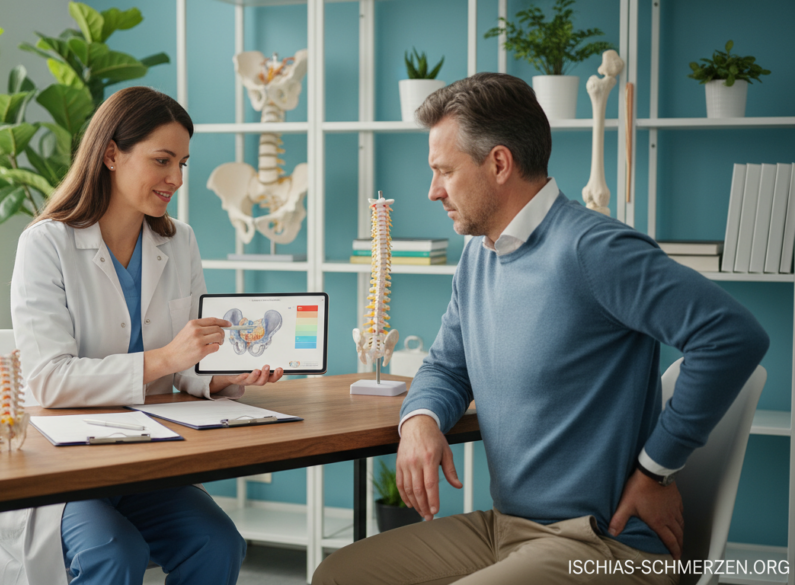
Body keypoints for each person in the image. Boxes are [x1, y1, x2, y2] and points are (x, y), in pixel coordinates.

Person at [313, 73, 769, 585]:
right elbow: (446, 364)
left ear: (499, 163)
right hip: (506, 527)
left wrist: (654, 469)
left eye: (444, 171)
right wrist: (419, 420)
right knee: (339, 575)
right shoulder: (478, 256)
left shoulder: (594, 250)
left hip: (601, 542)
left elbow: (733, 335)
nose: (433, 190)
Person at [0, 86, 284, 585]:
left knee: (218, 543)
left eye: (183, 163)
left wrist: (217, 373)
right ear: (110, 155)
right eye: (162, 160)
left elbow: (183, 364)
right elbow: (49, 380)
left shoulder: (178, 241)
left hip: (144, 461)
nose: (176, 179)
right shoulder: (45, 244)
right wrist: (165, 359)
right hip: (65, 469)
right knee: (113, 553)